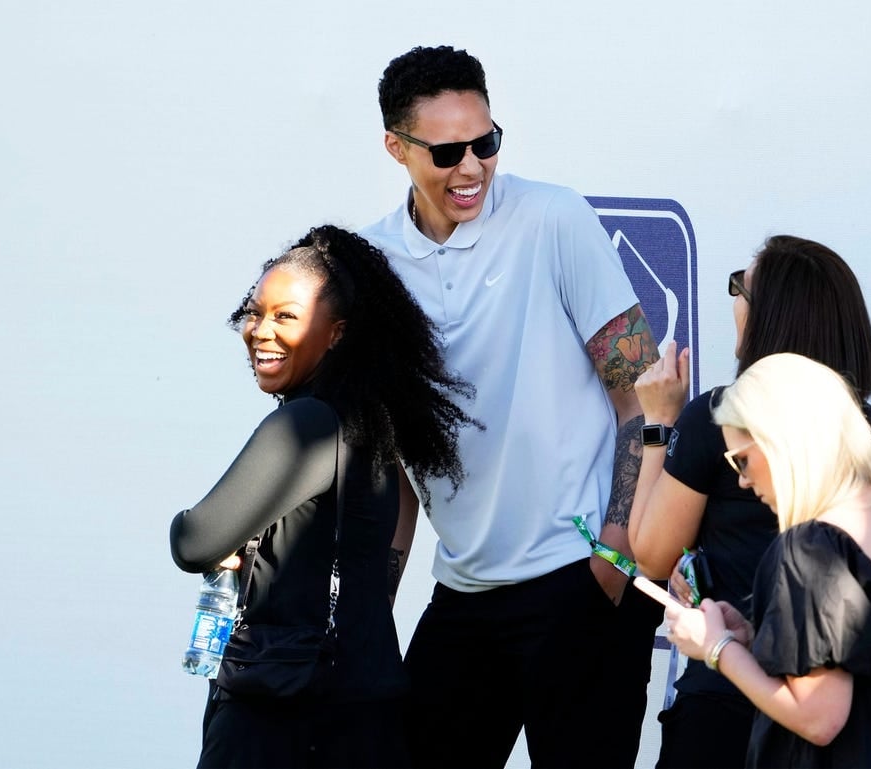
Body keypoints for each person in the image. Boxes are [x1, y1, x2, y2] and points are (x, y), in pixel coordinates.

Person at [358, 45, 662, 768]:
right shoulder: (372, 265)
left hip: (579, 580)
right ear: (396, 148)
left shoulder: (552, 218)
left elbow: (643, 396)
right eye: (449, 150)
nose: (472, 168)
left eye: (486, 142)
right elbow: (392, 459)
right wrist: (371, 615)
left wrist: (614, 557)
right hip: (463, 593)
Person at [170, 225, 476, 769]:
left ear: (336, 334)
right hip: (362, 708)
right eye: (256, 312)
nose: (261, 330)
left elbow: (194, 541)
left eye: (286, 316)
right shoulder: (367, 423)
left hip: (285, 713)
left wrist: (205, 533)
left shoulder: (308, 424)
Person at [662, 352, 871, 768]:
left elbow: (820, 718)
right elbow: (862, 650)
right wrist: (758, 634)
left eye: (741, 459)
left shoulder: (812, 549)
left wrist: (717, 648)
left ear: (781, 442)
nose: (742, 480)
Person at [629, 235, 871, 768]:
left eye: (738, 288)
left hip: (731, 706)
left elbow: (649, 555)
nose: (747, 481)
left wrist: (657, 422)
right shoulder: (865, 429)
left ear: (770, 317)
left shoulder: (718, 418)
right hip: (827, 704)